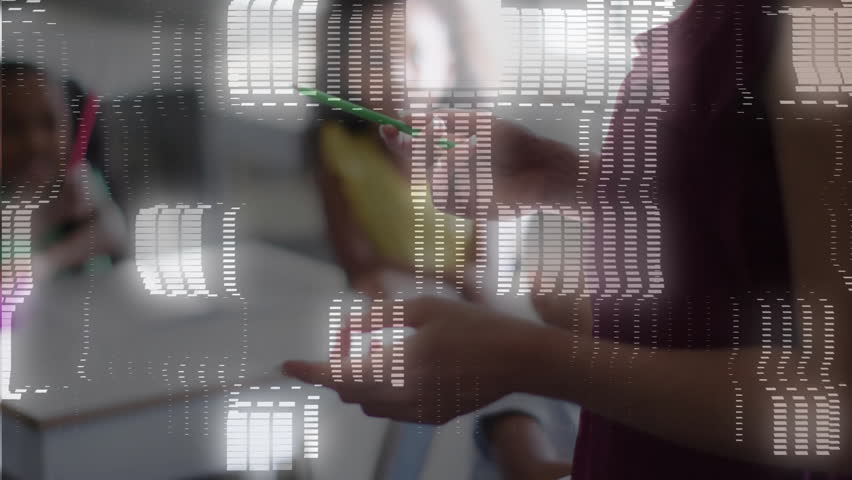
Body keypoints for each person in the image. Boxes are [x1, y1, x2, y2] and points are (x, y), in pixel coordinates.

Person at [286, 0, 852, 478]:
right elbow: (739, 230)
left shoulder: (820, 28)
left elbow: (834, 412)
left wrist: (528, 357)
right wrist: (573, 179)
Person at [310, 1, 579, 478]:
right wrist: (444, 280)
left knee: (500, 334)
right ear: (343, 67)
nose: (396, 75)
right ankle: (520, 454)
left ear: (450, 64)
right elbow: (360, 263)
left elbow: (488, 269)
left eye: (413, 54)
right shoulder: (335, 145)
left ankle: (528, 451)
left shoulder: (477, 146)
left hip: (477, 297)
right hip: (405, 300)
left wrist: (462, 284)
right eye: (373, 57)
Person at [1, 61, 127, 279]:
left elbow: (115, 233)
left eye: (49, 123)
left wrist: (51, 260)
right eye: (11, 127)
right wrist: (43, 215)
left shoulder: (79, 179)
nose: (35, 142)